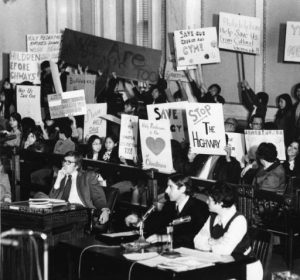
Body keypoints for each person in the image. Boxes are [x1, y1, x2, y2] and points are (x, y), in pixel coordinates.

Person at [125, 174, 209, 248]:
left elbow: (196, 236)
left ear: (182, 189)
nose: (166, 191)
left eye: (170, 187)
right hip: (169, 249)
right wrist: (138, 221)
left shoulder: (199, 207)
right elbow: (157, 224)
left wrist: (163, 238)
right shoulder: (169, 205)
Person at [46, 151, 110, 224]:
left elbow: (98, 197)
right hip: (61, 212)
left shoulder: (87, 177)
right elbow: (51, 199)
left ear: (77, 166)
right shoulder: (61, 176)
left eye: (69, 162)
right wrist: (58, 180)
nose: (64, 164)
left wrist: (105, 210)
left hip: (81, 213)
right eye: (64, 161)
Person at [194, 181, 251, 256]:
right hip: (219, 260)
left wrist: (210, 243)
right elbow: (197, 241)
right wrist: (217, 242)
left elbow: (224, 250)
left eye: (210, 200)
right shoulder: (213, 216)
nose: (207, 202)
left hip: (242, 263)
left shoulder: (239, 220)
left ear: (220, 203)